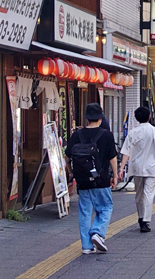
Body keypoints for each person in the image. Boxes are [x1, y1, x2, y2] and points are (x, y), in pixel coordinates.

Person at [65, 103, 118, 254]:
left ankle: (87, 247)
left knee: (85, 212)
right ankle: (97, 232)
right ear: (101, 118)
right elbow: (112, 158)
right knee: (106, 207)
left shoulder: (77, 135)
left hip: (82, 180)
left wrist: (71, 172)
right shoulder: (106, 135)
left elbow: (67, 157)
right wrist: (115, 176)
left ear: (86, 118)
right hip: (100, 179)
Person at [118, 107, 155, 233]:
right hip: (152, 168)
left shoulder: (133, 132)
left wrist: (121, 168)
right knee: (149, 194)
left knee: (139, 194)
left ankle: (141, 217)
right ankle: (146, 221)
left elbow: (126, 152)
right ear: (149, 117)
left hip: (137, 168)